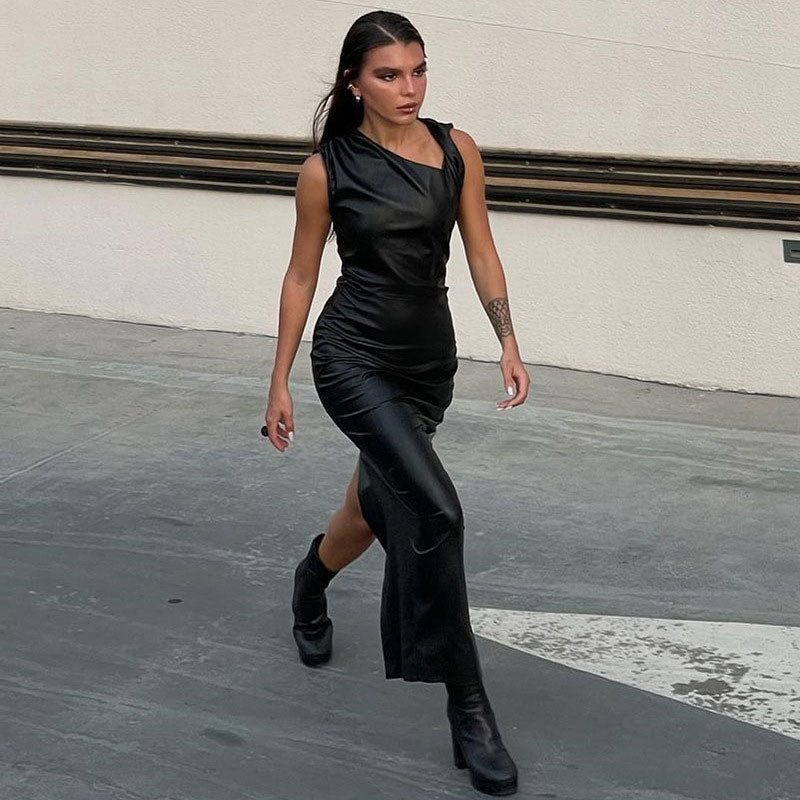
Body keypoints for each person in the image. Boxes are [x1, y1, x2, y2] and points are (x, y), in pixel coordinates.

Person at [264, 10, 530, 796]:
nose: (407, 88)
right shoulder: (328, 168)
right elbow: (302, 276)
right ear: (355, 83)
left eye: (418, 70)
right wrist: (278, 378)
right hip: (352, 359)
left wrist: (508, 337)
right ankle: (469, 707)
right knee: (435, 512)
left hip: (426, 365)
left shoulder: (457, 150)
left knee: (370, 509)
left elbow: (479, 244)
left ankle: (311, 580)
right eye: (389, 74)